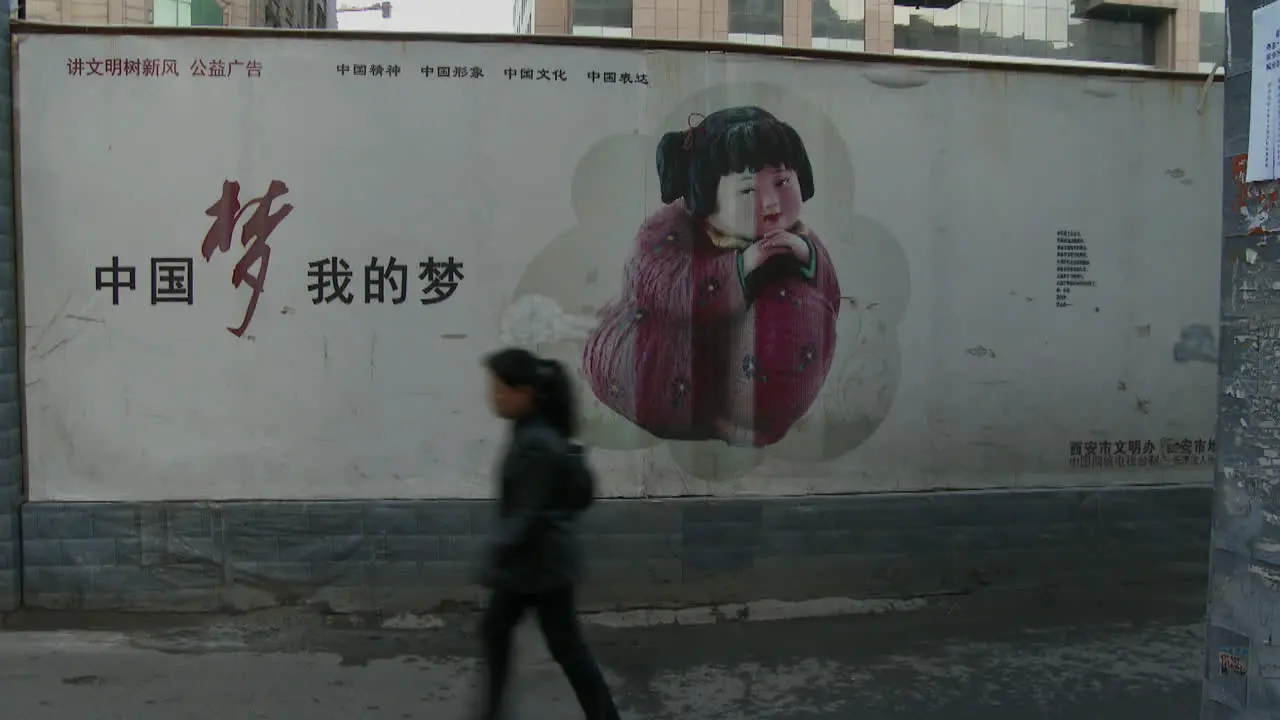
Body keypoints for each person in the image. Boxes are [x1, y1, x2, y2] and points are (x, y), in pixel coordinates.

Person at [582, 106, 842, 449]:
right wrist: (742, 267)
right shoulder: (670, 231)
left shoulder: (798, 237)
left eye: (781, 182)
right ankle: (703, 415)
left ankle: (759, 419)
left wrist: (806, 258)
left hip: (747, 378)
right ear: (708, 196)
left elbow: (830, 295)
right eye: (748, 191)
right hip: (681, 363)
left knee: (799, 306)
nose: (770, 203)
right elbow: (663, 288)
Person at [477, 347, 621, 720]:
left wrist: (495, 553)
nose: (493, 396)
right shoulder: (531, 430)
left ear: (524, 393)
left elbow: (527, 512)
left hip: (542, 565)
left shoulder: (536, 443)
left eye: (499, 388)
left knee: (565, 648)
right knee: (498, 630)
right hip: (536, 562)